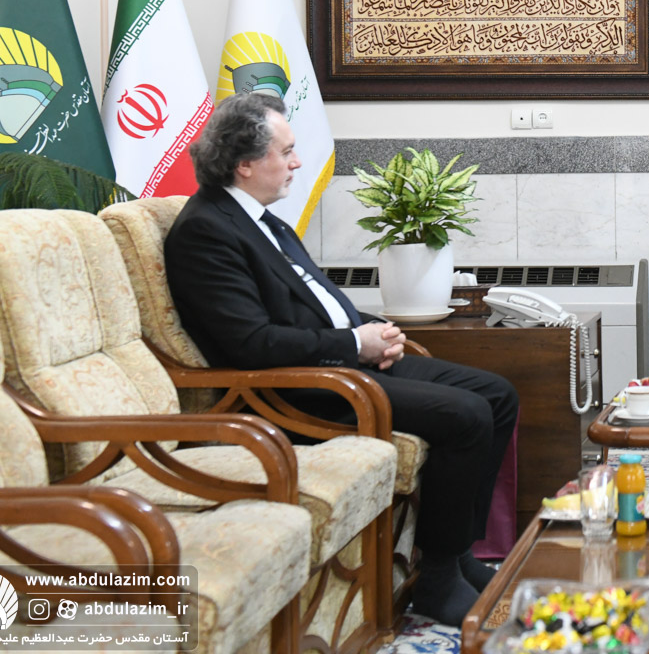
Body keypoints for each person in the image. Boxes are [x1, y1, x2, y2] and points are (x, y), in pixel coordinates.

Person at [164, 92, 518, 627]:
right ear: (244, 164)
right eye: (286, 152)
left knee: (497, 394)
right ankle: (438, 577)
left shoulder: (263, 220)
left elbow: (315, 301)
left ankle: (460, 551)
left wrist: (374, 332)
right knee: (465, 415)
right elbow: (252, 344)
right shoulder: (205, 231)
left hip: (342, 361)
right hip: (300, 387)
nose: (296, 162)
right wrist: (354, 344)